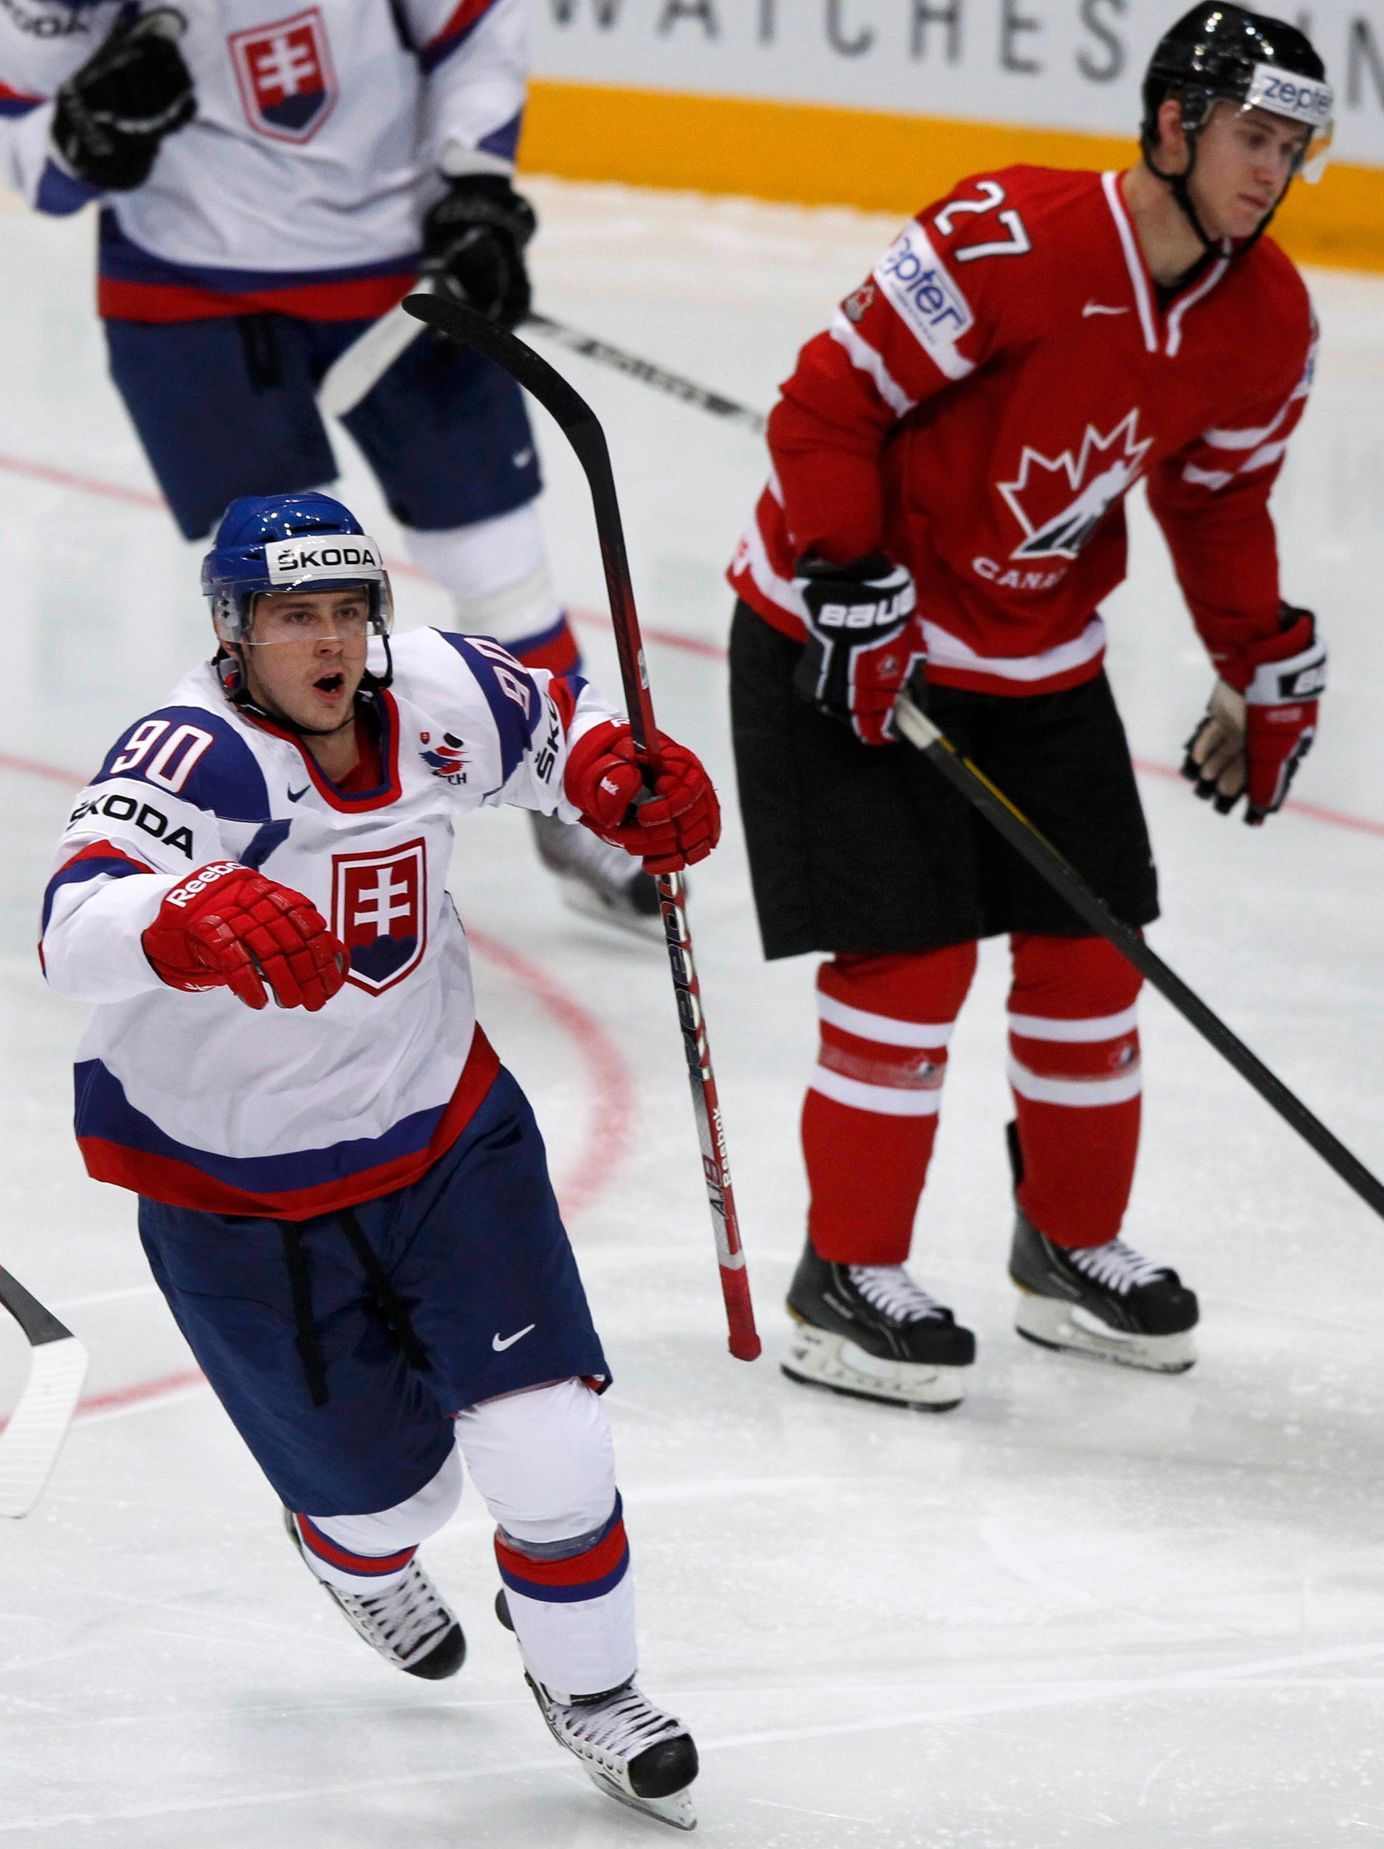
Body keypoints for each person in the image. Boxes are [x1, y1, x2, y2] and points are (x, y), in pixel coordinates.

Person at [39, 490, 719, 1830]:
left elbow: (559, 729)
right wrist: (177, 914)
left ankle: (595, 1689)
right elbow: (69, 924)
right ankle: (347, 1545)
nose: (331, 641)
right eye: (296, 617)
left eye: (348, 609)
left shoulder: (437, 690)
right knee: (392, 1498)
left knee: (552, 1441)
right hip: (239, 1195)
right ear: (234, 632)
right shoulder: (199, 758)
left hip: (443, 1136)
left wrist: (608, 774)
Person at [726, 4, 1331, 1411]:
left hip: (1036, 651)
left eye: (1294, 148)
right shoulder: (1005, 237)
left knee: (1089, 955)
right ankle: (846, 1273)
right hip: (843, 631)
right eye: (1254, 138)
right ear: (1174, 125)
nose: (1273, 171)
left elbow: (1219, 494)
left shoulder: (1267, 315)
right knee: (909, 962)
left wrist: (1260, 657)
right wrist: (850, 574)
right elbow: (823, 411)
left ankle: (1068, 1245)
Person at [1, 0, 658, 929]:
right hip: (190, 289)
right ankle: (314, 844)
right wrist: (83, 141)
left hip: (396, 269)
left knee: (501, 567)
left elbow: (473, 35)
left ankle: (573, 805)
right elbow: (33, 143)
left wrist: (475, 182)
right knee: (286, 599)